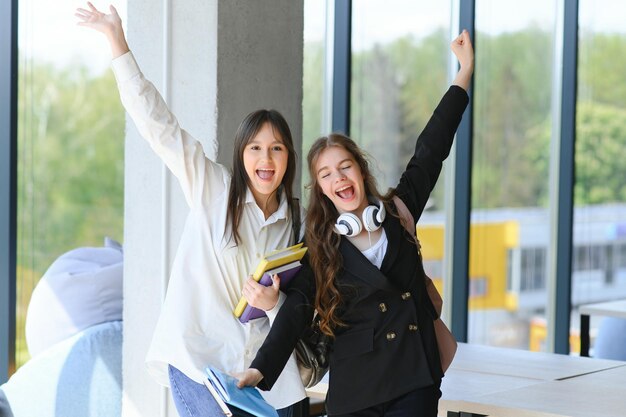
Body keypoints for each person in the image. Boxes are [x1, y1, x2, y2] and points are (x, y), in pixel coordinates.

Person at [75, 3, 305, 416]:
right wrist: (117, 41)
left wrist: (274, 303)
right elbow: (158, 125)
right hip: (200, 360)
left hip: (259, 373)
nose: (265, 158)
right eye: (255, 148)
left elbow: (299, 304)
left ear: (289, 157)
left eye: (276, 148)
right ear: (241, 155)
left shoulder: (295, 220)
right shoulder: (214, 187)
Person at [238, 31, 474, 416]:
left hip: (414, 378)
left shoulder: (399, 211)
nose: (339, 178)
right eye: (327, 174)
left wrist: (463, 73)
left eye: (345, 167)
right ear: (323, 190)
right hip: (356, 391)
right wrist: (259, 367)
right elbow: (297, 308)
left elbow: (432, 149)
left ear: (361, 172)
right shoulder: (322, 245)